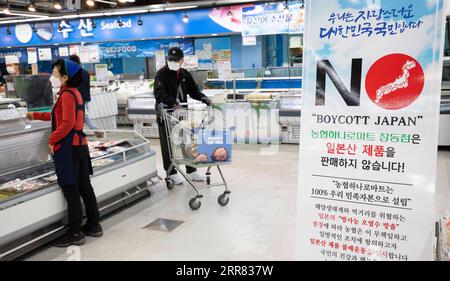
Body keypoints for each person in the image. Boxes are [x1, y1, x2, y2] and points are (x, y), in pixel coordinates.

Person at [26, 59, 102, 247]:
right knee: (85, 187)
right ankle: (93, 225)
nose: (52, 75)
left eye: (55, 72)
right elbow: (57, 115)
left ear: (65, 77)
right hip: (80, 146)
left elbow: (67, 123)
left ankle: (75, 233)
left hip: (69, 149)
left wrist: (52, 140)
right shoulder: (74, 93)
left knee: (71, 191)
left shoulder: (67, 94)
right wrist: (34, 115)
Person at [154, 47, 212, 185]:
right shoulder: (161, 74)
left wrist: (204, 98)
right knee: (168, 144)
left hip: (183, 115)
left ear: (182, 60)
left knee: (187, 142)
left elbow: (193, 90)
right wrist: (173, 103)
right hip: (166, 115)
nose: (172, 62)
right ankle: (171, 173)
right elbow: (159, 94)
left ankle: (191, 170)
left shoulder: (185, 74)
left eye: (175, 60)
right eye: (170, 60)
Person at [68, 55, 99, 133]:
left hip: (78, 99)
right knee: (83, 116)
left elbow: (74, 88)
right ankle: (89, 131)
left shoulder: (73, 74)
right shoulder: (85, 72)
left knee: (82, 116)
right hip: (85, 98)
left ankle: (95, 130)